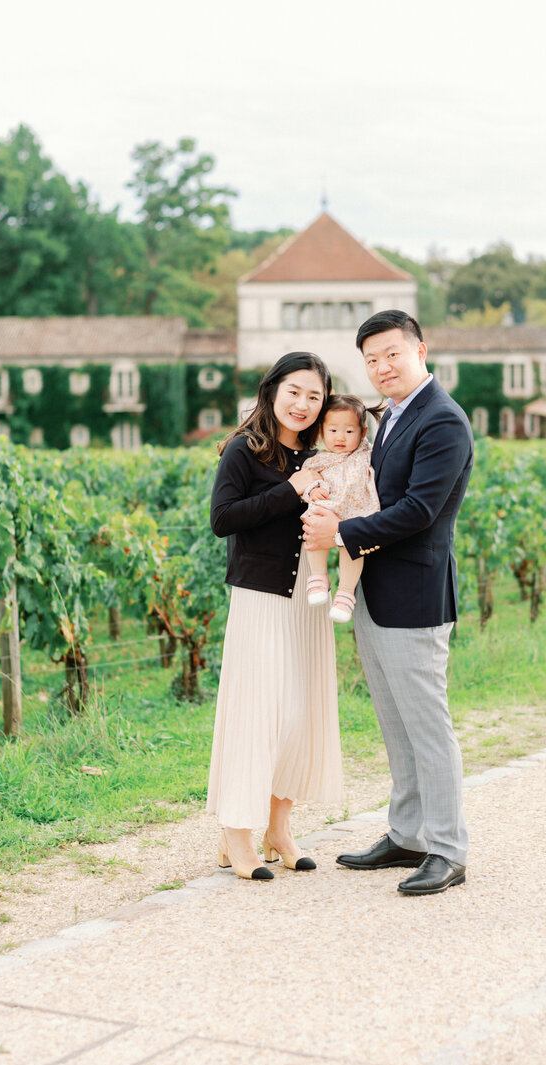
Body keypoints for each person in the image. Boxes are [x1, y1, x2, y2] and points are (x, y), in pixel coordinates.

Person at [303, 310, 473, 896]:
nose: (382, 367)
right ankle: (408, 834)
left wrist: (341, 536)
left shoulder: (443, 421)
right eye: (371, 359)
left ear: (421, 350)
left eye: (391, 354)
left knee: (428, 726)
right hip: (372, 591)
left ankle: (448, 849)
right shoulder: (390, 418)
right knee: (396, 724)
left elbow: (421, 511)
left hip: (416, 594)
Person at [207, 352, 343, 880]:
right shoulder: (245, 451)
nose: (304, 404)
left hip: (308, 600)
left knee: (298, 716)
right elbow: (223, 519)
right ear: (272, 391)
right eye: (295, 391)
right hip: (261, 598)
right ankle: (235, 834)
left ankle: (278, 827)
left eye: (315, 395)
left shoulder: (323, 457)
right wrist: (291, 490)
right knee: (256, 715)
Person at [300, 394, 381, 624]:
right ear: (322, 431)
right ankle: (318, 577)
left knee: (353, 545)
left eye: (349, 431)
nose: (340, 438)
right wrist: (313, 490)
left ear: (363, 433)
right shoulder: (319, 460)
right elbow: (306, 481)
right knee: (312, 529)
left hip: (354, 513)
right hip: (326, 509)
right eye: (333, 430)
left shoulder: (365, 454)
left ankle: (345, 594)